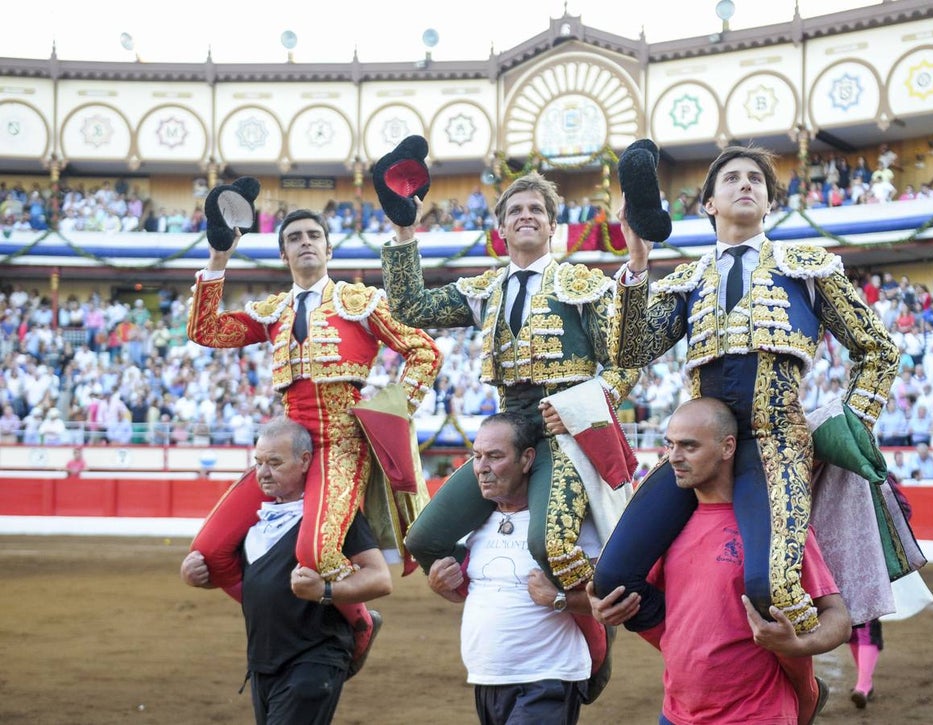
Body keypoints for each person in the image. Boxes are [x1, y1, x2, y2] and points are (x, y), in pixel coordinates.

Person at [596, 144, 898, 636]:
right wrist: (637, 260)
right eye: (732, 178)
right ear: (710, 203)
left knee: (774, 590)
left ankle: (799, 685)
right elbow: (628, 353)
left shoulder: (807, 269)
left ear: (768, 202)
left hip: (775, 445)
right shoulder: (688, 280)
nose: (746, 184)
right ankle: (697, 642)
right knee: (613, 579)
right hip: (699, 448)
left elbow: (878, 349)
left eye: (756, 179)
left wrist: (852, 423)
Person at [186, 208, 441, 669]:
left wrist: (393, 408)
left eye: (314, 236)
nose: (305, 242)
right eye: (295, 237)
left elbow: (424, 350)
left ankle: (360, 621)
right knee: (209, 552)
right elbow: (205, 330)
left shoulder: (360, 302)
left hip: (342, 447)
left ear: (328, 248)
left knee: (316, 553)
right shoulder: (274, 312)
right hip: (288, 451)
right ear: (283, 252)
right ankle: (281, 612)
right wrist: (219, 257)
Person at [381, 170, 639, 595]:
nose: (526, 216)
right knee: (424, 538)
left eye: (537, 209)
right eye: (516, 210)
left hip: (565, 436)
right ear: (500, 228)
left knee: (551, 545)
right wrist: (404, 230)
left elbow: (626, 361)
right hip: (507, 434)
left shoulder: (581, 286)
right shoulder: (487, 290)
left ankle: (593, 633)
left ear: (553, 225)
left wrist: (584, 405)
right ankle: (493, 591)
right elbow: (411, 307)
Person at [589, 399, 850, 725]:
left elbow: (837, 615)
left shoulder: (775, 529)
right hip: (675, 714)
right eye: (670, 444)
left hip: (756, 715)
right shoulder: (667, 528)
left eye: (689, 446)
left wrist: (800, 643)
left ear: (727, 448)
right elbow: (649, 604)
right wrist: (601, 609)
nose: (674, 458)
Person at [180, 418, 391, 724]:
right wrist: (198, 577)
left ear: (305, 461)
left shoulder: (333, 518)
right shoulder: (253, 521)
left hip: (315, 658)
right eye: (259, 462)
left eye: (274, 463)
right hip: (263, 663)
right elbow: (260, 580)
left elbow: (380, 578)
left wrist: (325, 591)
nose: (262, 473)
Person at [427, 413, 599, 724]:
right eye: (477, 456)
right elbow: (480, 593)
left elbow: (608, 603)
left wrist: (559, 599)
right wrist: (443, 588)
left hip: (548, 678)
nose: (482, 468)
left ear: (526, 459)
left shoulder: (563, 526)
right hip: (488, 678)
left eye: (495, 456)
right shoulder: (473, 525)